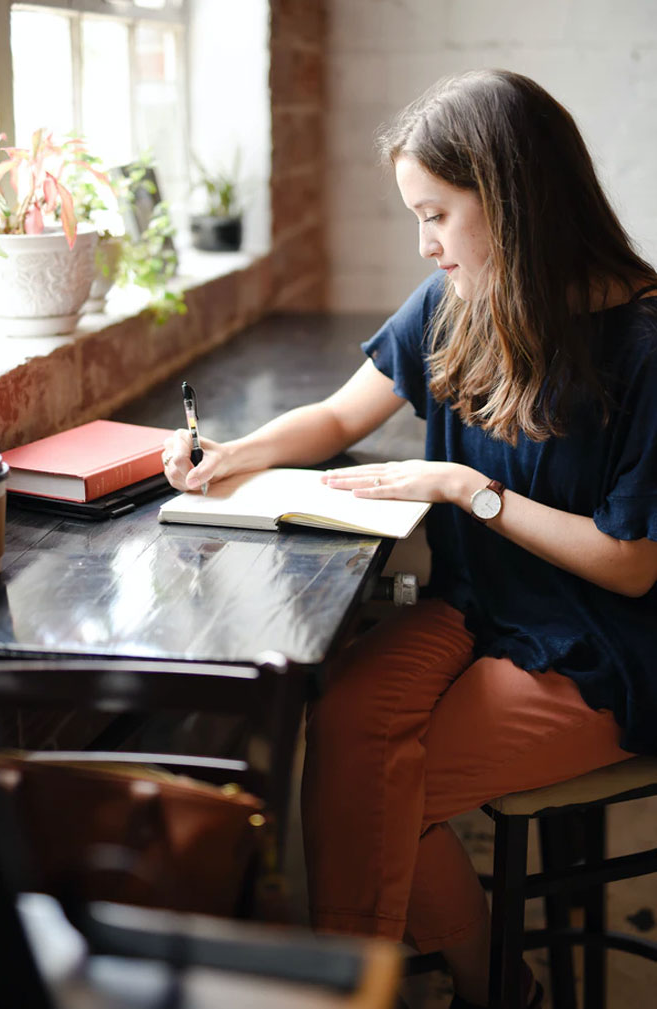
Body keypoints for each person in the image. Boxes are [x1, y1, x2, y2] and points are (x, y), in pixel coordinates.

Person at [162, 69, 657, 1008]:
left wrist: (466, 488)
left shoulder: (644, 346)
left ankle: (394, 990)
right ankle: (483, 986)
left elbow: (632, 568)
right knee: (344, 715)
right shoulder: (459, 299)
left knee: (382, 787)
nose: (424, 244)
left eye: (435, 214)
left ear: (511, 202)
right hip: (479, 605)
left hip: (608, 643)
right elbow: (338, 414)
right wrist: (231, 453)